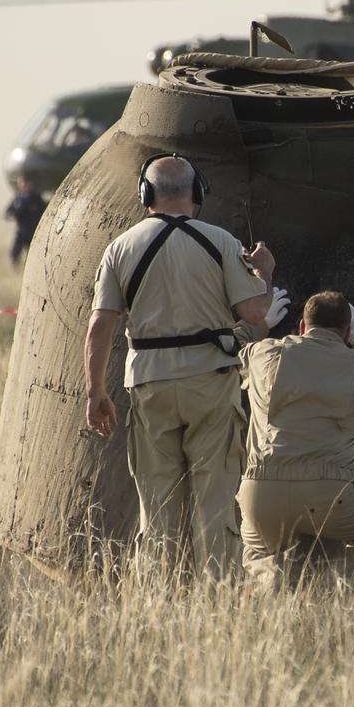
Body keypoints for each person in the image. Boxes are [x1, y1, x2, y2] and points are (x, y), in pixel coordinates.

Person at [83, 154, 275, 577]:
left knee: (157, 503)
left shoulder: (121, 247)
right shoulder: (220, 241)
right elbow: (256, 312)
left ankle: (159, 602)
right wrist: (265, 272)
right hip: (210, 385)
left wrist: (95, 393)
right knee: (215, 501)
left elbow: (100, 324)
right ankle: (214, 603)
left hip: (150, 386)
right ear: (196, 193)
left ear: (145, 195)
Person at [237, 290, 354, 590]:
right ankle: (347, 592)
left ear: (303, 327)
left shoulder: (266, 354)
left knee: (258, 553)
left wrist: (258, 324)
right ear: (347, 331)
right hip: (332, 496)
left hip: (262, 492)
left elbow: (225, 354)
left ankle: (267, 609)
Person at [4, 177, 47, 268]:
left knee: (32, 256)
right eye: (22, 183)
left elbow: (45, 210)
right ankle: (15, 269)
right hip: (21, 232)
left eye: (26, 183)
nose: (24, 185)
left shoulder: (36, 198)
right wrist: (12, 213)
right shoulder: (18, 199)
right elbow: (8, 212)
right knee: (14, 253)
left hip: (33, 232)